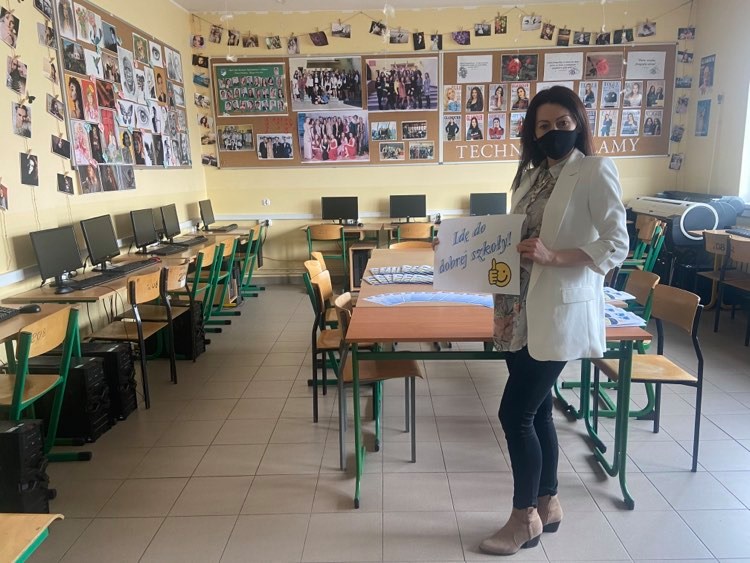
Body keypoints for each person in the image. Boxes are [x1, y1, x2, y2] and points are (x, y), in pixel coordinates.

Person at [463, 85, 627, 555]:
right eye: (543, 125)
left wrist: (555, 256)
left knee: (514, 414)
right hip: (517, 311)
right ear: (532, 133)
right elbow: (512, 237)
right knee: (536, 413)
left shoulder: (594, 170)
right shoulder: (531, 176)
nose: (553, 131)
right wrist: (462, 250)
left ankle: (523, 520)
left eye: (562, 123)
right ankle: (548, 503)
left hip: (557, 310)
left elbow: (617, 243)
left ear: (578, 123)